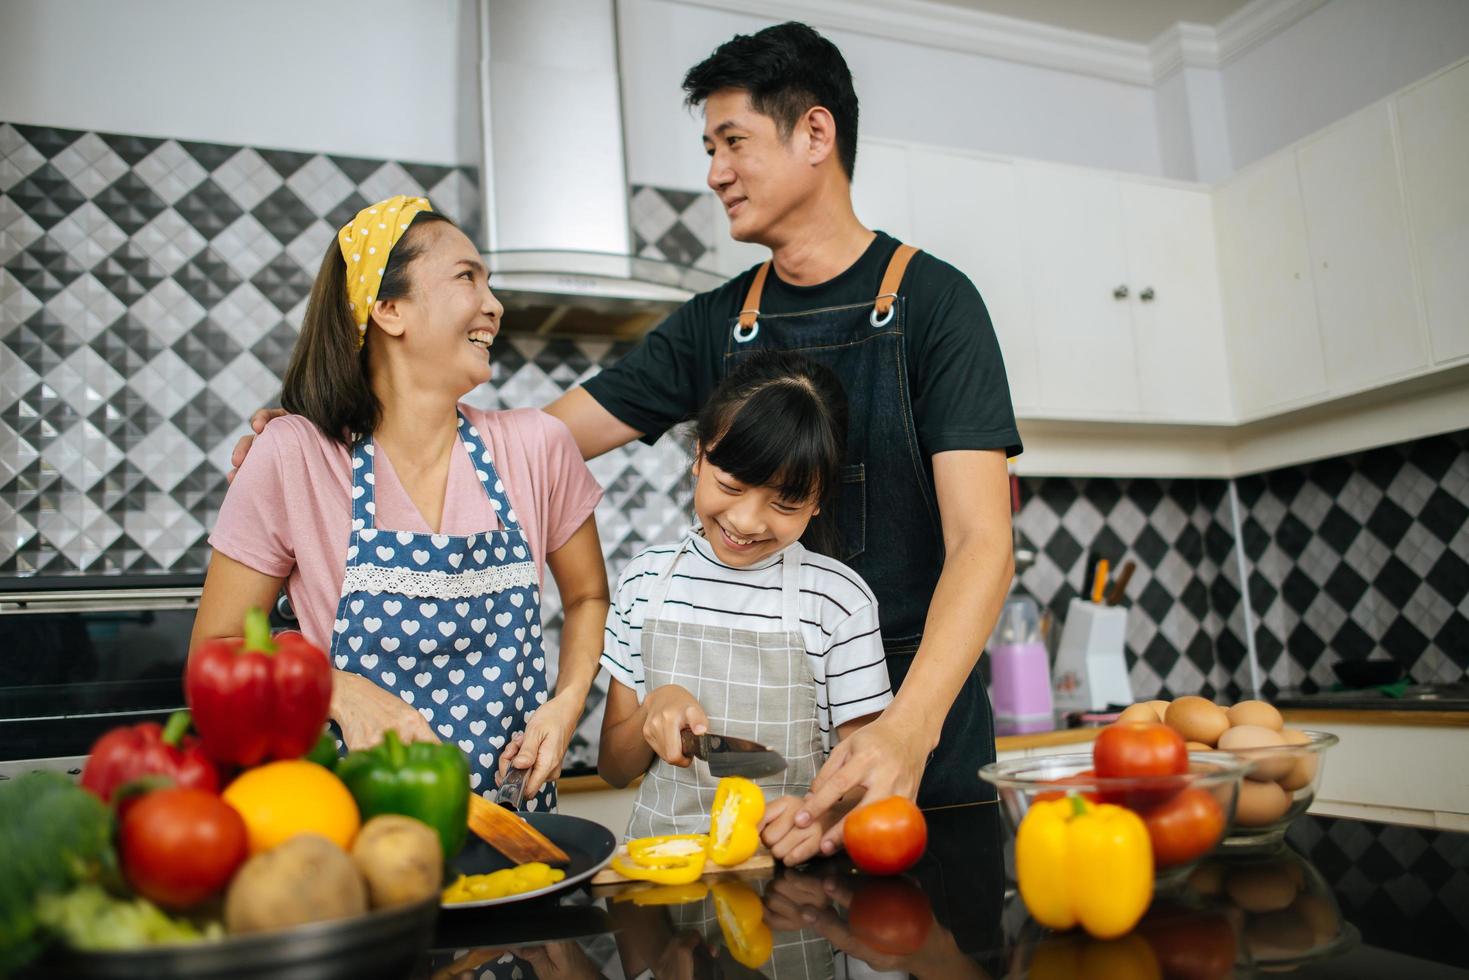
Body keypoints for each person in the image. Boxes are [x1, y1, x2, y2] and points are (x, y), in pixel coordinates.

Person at [232, 22, 1019, 858]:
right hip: (746, 787)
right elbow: (532, 446)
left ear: (814, 134)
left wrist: (907, 728)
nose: (714, 171)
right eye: (708, 145)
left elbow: (982, 544)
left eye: (732, 142)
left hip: (915, 742)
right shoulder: (716, 322)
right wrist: (325, 426)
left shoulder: (938, 306)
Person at [197, 196, 609, 806]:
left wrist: (567, 702)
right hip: (347, 839)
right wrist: (336, 690)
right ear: (389, 310)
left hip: (516, 831)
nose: (493, 305)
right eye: (467, 276)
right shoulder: (293, 453)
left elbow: (588, 595)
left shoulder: (537, 445)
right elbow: (216, 656)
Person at [595, 352, 891, 863]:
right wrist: (652, 707)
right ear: (699, 455)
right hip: (663, 879)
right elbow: (613, 769)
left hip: (791, 883)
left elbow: (867, 781)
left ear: (819, 499)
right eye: (730, 485)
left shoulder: (839, 602)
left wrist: (817, 816)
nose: (747, 521)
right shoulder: (645, 581)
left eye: (786, 504)